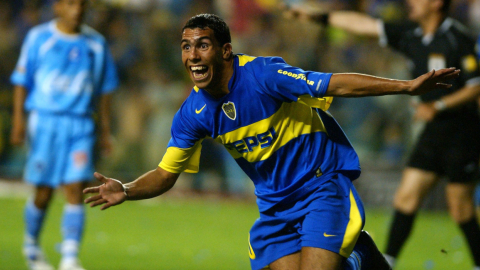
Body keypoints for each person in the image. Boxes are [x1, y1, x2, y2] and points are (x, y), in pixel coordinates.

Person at [84, 13, 459, 270]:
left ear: (225, 50)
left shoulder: (264, 75)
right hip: (275, 207)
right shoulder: (193, 114)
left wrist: (406, 87)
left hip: (320, 185)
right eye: (186, 47)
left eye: (202, 45)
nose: (192, 56)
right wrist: (127, 189)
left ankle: (357, 258)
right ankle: (357, 258)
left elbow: (334, 82)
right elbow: (166, 174)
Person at [284, 0, 480, 269]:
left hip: (462, 132)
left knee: (460, 208)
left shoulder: (459, 38)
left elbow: (474, 87)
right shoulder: (411, 33)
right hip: (433, 132)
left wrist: (439, 105)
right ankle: (387, 261)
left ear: (436, 3)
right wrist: (321, 18)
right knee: (405, 198)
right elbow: (365, 25)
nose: (410, 2)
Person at [10, 0, 119, 269]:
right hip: (45, 122)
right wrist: (18, 122)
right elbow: (22, 82)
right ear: (57, 7)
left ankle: (69, 257)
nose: (77, 9)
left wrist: (105, 131)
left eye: (82, 4)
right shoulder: (39, 38)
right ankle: (31, 245)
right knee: (44, 191)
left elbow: (105, 90)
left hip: (80, 123)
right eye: (71, 3)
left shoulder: (96, 43)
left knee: (75, 186)